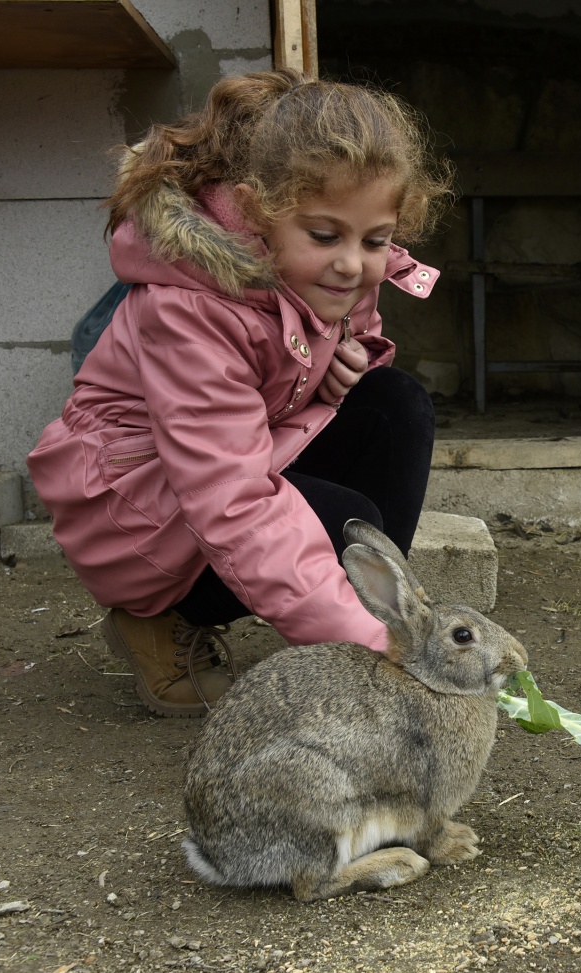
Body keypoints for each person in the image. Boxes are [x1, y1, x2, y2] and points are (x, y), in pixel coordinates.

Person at [27, 69, 453, 717]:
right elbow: (232, 502)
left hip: (233, 458)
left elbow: (351, 337)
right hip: (135, 513)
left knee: (395, 404)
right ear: (257, 211)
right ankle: (161, 620)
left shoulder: (329, 266)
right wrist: (372, 644)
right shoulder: (188, 310)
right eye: (326, 236)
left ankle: (372, 627)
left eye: (375, 241)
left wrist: (348, 360)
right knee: (347, 520)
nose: (352, 264)